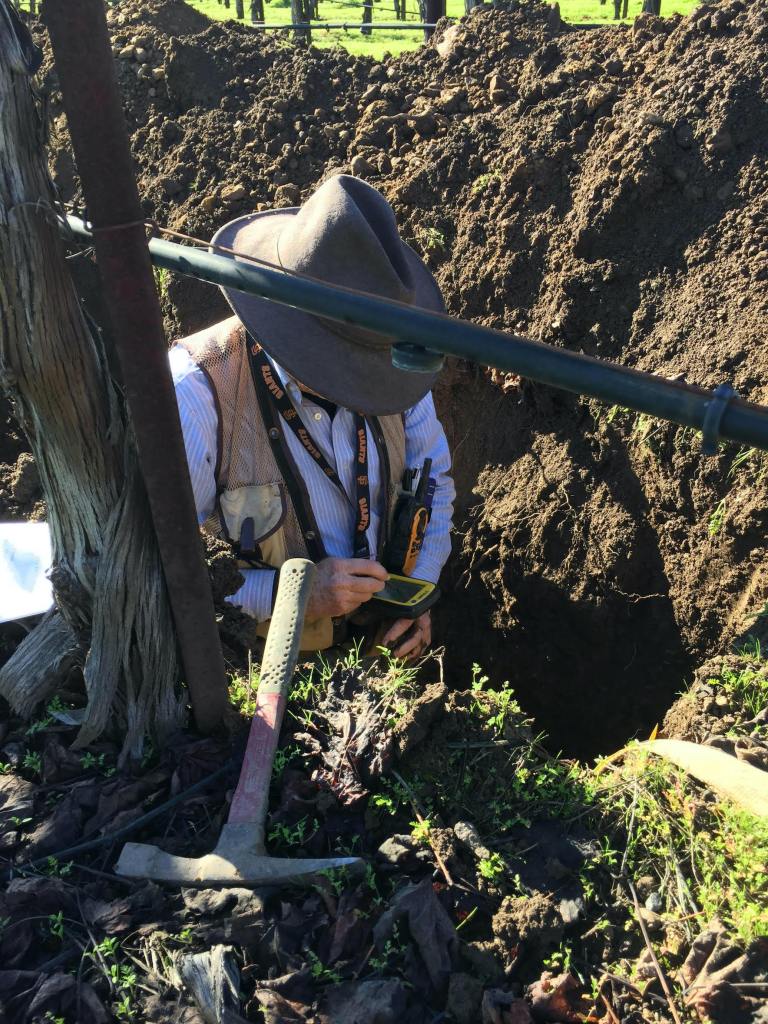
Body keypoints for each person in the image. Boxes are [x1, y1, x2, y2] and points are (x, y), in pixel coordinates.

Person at [170, 174, 454, 660]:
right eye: (347, 361)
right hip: (251, 663)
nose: (366, 382)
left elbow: (436, 482)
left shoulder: (392, 362)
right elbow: (165, 571)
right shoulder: (195, 396)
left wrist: (416, 592)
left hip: (369, 653)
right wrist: (298, 595)